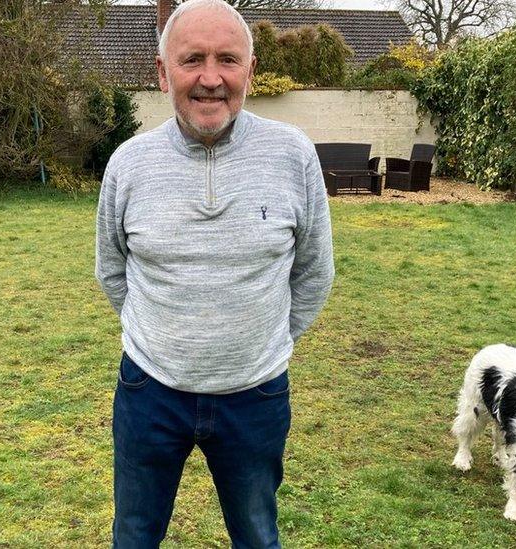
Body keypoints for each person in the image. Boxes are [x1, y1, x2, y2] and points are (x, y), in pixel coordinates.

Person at [94, 0, 334, 546]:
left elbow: (314, 272)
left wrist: (260, 343)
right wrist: (162, 338)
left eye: (227, 59)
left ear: (250, 70)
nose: (210, 78)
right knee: (133, 535)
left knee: (256, 535)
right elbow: (112, 270)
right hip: (150, 391)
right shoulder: (128, 164)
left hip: (256, 396)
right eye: (191, 60)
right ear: (161, 73)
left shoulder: (293, 155)